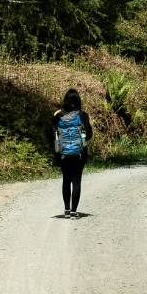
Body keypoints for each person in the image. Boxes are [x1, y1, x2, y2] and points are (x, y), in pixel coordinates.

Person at [53, 88, 92, 217]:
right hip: (79, 154)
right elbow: (89, 135)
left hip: (63, 154)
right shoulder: (82, 115)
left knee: (66, 180)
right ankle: (74, 211)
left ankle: (66, 210)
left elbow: (53, 134)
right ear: (78, 100)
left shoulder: (58, 115)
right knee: (76, 181)